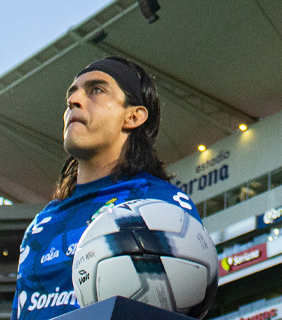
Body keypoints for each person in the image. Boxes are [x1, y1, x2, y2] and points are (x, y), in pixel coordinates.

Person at [14, 57, 209, 320]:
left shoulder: (160, 204)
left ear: (133, 116)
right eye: (71, 95)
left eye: (96, 90)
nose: (74, 101)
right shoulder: (42, 224)